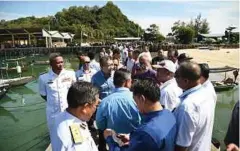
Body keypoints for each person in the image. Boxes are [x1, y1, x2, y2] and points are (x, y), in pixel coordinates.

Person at [104, 79, 177, 151]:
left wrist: (110, 139)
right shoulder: (169, 115)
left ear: (142, 99)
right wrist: (133, 138)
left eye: (135, 101)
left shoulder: (146, 133)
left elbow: (148, 137)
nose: (136, 106)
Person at [174, 62, 215, 151]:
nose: (174, 78)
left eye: (176, 76)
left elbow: (182, 144)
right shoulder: (207, 94)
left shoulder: (187, 106)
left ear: (186, 81)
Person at [96, 69, 141, 147]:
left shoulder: (105, 101)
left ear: (114, 82)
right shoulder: (137, 99)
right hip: (135, 142)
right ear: (127, 82)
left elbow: (100, 124)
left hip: (114, 143)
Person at [38, 53, 76, 144]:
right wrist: (53, 102)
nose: (61, 65)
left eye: (62, 62)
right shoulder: (43, 78)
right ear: (51, 64)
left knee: (72, 135)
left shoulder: (70, 74)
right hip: (53, 113)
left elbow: (74, 90)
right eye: (58, 63)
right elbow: (43, 94)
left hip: (69, 111)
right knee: (55, 137)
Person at [51, 81, 99, 151]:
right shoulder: (77, 145)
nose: (96, 108)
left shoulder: (63, 116)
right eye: (96, 105)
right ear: (85, 107)